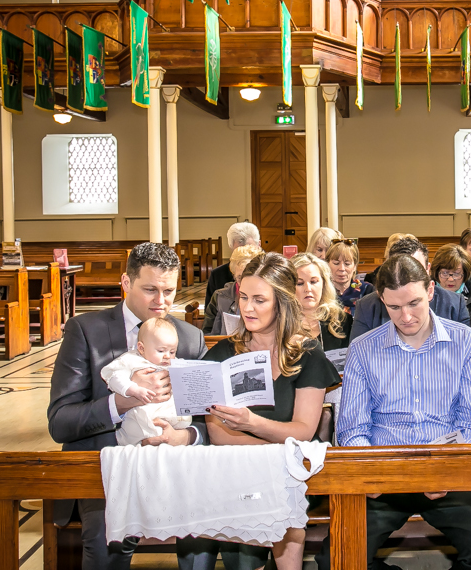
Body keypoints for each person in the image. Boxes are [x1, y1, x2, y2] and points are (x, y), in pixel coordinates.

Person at [318, 254, 471, 570]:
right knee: (335, 560)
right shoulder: (364, 348)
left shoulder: (464, 341)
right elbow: (353, 427)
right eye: (394, 307)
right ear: (381, 300)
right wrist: (371, 475)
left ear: (431, 291)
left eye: (414, 303)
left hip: (448, 470)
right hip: (383, 473)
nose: (406, 316)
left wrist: (448, 472)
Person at [48, 242, 207, 570]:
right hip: (106, 469)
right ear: (125, 283)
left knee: (204, 526)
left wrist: (186, 436)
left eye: (169, 291)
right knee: (108, 540)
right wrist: (121, 402)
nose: (161, 302)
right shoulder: (86, 331)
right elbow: (61, 421)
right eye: (150, 289)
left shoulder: (189, 340)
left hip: (174, 467)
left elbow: (208, 418)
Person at [179, 252, 341, 570]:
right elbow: (218, 434)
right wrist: (276, 454)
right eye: (243, 297)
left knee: (282, 493)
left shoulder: (307, 356)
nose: (247, 308)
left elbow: (303, 430)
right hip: (239, 469)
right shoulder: (222, 354)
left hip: (292, 474)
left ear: (281, 302)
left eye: (259, 300)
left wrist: (251, 422)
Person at [350, 237, 471, 340]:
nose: (407, 278)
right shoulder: (367, 306)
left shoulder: (455, 303)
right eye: (394, 307)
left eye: (415, 267)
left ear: (428, 269)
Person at [99, 317, 192, 446]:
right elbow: (113, 376)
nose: (167, 356)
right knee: (138, 430)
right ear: (141, 348)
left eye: (172, 351)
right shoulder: (131, 360)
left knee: (182, 422)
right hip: (142, 415)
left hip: (169, 414)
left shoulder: (173, 361)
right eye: (161, 351)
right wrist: (132, 388)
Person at [291, 252, 352, 354]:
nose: (308, 289)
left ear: (324, 284)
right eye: (300, 283)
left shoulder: (342, 320)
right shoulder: (281, 323)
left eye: (314, 281)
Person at [204, 244, 263, 335]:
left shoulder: (268, 296)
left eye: (248, 276)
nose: (244, 283)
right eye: (240, 277)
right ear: (233, 275)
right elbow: (207, 332)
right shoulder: (220, 297)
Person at [431, 244, 471, 327]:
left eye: (456, 274)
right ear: (437, 273)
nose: (451, 279)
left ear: (465, 274)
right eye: (445, 273)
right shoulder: (426, 294)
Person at [205, 222, 261, 307]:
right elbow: (211, 314)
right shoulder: (217, 275)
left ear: (259, 245)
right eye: (239, 250)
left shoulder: (272, 271)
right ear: (231, 249)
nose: (245, 254)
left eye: (250, 248)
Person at [325, 238, 374, 315]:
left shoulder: (367, 290)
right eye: (336, 263)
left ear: (354, 266)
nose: (342, 269)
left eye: (347, 264)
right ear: (327, 264)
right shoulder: (322, 291)